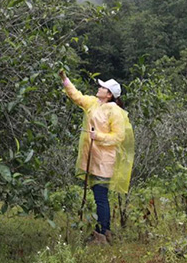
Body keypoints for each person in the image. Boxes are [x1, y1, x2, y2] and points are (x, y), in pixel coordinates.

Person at [59, 69, 134, 245]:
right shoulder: (93, 103)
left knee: (101, 196)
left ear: (108, 95)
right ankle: (103, 231)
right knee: (98, 195)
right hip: (92, 158)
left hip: (104, 161)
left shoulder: (114, 111)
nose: (99, 88)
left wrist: (98, 137)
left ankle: (102, 232)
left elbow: (118, 136)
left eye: (103, 87)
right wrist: (64, 79)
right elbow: (76, 96)